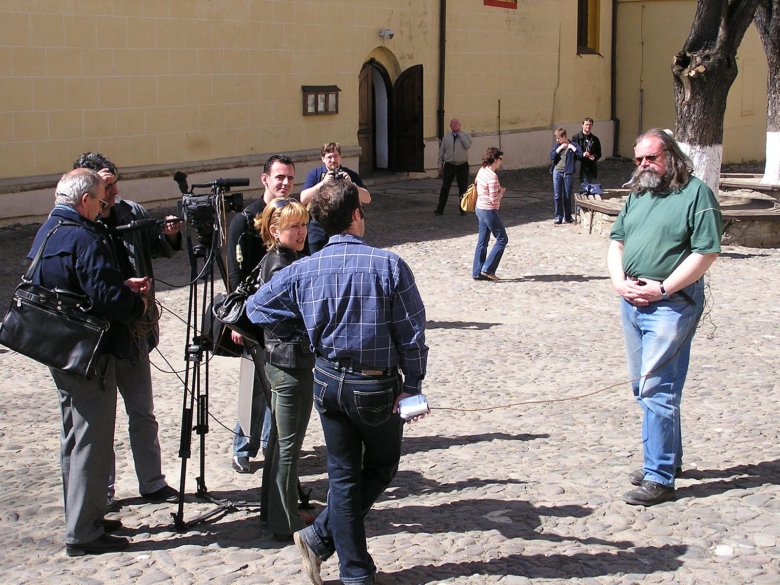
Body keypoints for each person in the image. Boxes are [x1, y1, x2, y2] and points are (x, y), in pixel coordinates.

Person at [246, 181, 429, 585]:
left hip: (328, 381)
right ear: (357, 216)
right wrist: (413, 386)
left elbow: (255, 309)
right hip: (373, 386)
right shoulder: (389, 265)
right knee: (379, 468)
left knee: (345, 476)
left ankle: (335, 553)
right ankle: (345, 562)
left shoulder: (304, 269)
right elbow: (412, 334)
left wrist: (306, 325)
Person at [29, 169, 148, 556]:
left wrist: (117, 286)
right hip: (86, 351)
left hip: (58, 346)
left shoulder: (48, 229)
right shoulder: (84, 236)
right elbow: (106, 299)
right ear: (84, 202)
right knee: (91, 439)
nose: (103, 205)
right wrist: (136, 303)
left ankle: (86, 512)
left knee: (74, 436)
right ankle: (83, 531)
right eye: (99, 199)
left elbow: (66, 281)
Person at [607, 128, 722, 507]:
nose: (643, 165)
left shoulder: (696, 194)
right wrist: (619, 282)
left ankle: (659, 477)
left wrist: (663, 289)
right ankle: (666, 459)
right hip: (632, 301)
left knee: (659, 388)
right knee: (643, 387)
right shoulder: (638, 195)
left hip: (671, 303)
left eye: (650, 158)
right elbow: (617, 241)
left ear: (670, 156)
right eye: (638, 159)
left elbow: (705, 252)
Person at [73, 153, 182, 510]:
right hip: (99, 339)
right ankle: (101, 493)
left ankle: (152, 482)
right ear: (90, 188)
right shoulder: (79, 223)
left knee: (142, 411)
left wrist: (169, 234)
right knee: (99, 424)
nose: (115, 190)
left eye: (116, 182)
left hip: (134, 330)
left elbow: (154, 246)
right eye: (107, 185)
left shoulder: (130, 212)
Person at [226, 154, 296, 473]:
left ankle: (271, 443)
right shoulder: (245, 219)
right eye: (279, 177)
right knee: (251, 385)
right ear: (264, 179)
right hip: (252, 314)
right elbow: (235, 275)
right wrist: (237, 320)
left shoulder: (294, 216)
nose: (284, 183)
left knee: (277, 382)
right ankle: (243, 445)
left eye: (290, 178)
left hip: (283, 319)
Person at [255, 198, 316, 541]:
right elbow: (288, 316)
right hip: (289, 362)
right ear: (275, 231)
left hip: (284, 359)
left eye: (304, 224)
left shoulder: (285, 259)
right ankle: (283, 521)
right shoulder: (281, 265)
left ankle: (276, 511)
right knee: (288, 446)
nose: (301, 232)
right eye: (294, 226)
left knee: (279, 443)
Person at [300, 142, 371, 253]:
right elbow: (303, 198)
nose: (333, 160)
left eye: (336, 156)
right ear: (322, 158)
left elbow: (367, 198)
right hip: (318, 226)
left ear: (340, 157)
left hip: (343, 225)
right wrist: (322, 184)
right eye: (329, 157)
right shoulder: (315, 174)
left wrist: (351, 184)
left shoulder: (349, 174)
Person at [472, 147, 508, 282]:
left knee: (483, 241)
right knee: (502, 239)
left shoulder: (482, 170)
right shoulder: (492, 177)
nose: (501, 162)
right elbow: (494, 199)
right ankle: (488, 269)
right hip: (488, 210)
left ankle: (477, 272)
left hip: (479, 208)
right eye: (500, 159)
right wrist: (501, 193)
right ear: (495, 159)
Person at [435, 118, 473, 216]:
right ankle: (440, 209)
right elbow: (441, 152)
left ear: (460, 125)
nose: (454, 125)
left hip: (462, 165)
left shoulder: (466, 135)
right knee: (445, 187)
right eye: (452, 124)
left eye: (456, 123)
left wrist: (460, 135)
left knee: (463, 188)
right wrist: (440, 165)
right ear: (450, 126)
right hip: (449, 165)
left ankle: (462, 209)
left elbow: (468, 145)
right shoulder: (446, 137)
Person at [549, 128, 582, 224]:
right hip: (557, 172)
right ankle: (558, 216)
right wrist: (559, 149)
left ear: (564, 137)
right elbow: (551, 156)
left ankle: (567, 216)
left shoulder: (573, 145)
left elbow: (580, 155)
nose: (557, 140)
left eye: (558, 138)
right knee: (557, 196)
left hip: (568, 173)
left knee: (567, 195)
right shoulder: (557, 146)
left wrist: (573, 149)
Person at [571, 118, 602, 189]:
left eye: (590, 125)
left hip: (590, 166)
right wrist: (582, 154)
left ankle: (588, 196)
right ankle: (588, 196)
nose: (588, 127)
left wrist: (594, 157)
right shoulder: (576, 138)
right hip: (581, 165)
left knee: (589, 183)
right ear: (582, 125)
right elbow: (573, 152)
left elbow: (599, 152)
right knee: (586, 184)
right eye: (586, 125)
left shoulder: (595, 139)